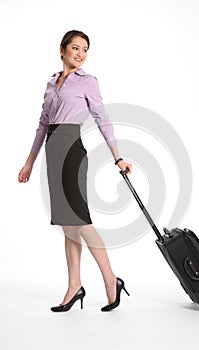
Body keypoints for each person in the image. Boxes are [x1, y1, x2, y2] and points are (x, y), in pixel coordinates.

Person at [18, 30, 132, 312]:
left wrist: (118, 158)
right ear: (62, 49)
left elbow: (102, 119)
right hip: (52, 154)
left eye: (85, 49)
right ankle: (74, 286)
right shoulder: (50, 83)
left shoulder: (88, 82)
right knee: (68, 225)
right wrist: (29, 162)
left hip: (72, 152)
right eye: (75, 48)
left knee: (80, 221)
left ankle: (110, 280)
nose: (80, 54)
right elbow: (42, 125)